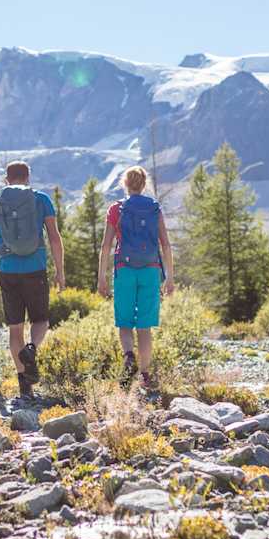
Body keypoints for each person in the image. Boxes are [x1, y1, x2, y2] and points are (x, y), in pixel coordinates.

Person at [0, 161, 65, 403]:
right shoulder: (41, 200)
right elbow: (55, 238)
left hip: (8, 270)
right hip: (35, 268)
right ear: (28, 177)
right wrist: (60, 271)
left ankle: (24, 387)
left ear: (6, 179)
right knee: (41, 320)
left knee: (15, 327)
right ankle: (32, 349)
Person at [96, 166, 174, 394]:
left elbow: (106, 246)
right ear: (144, 184)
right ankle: (145, 375)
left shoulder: (116, 209)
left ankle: (129, 355)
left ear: (125, 184)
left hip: (124, 269)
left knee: (125, 321)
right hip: (150, 270)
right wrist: (169, 278)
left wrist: (101, 277)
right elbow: (166, 244)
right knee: (145, 325)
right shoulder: (154, 208)